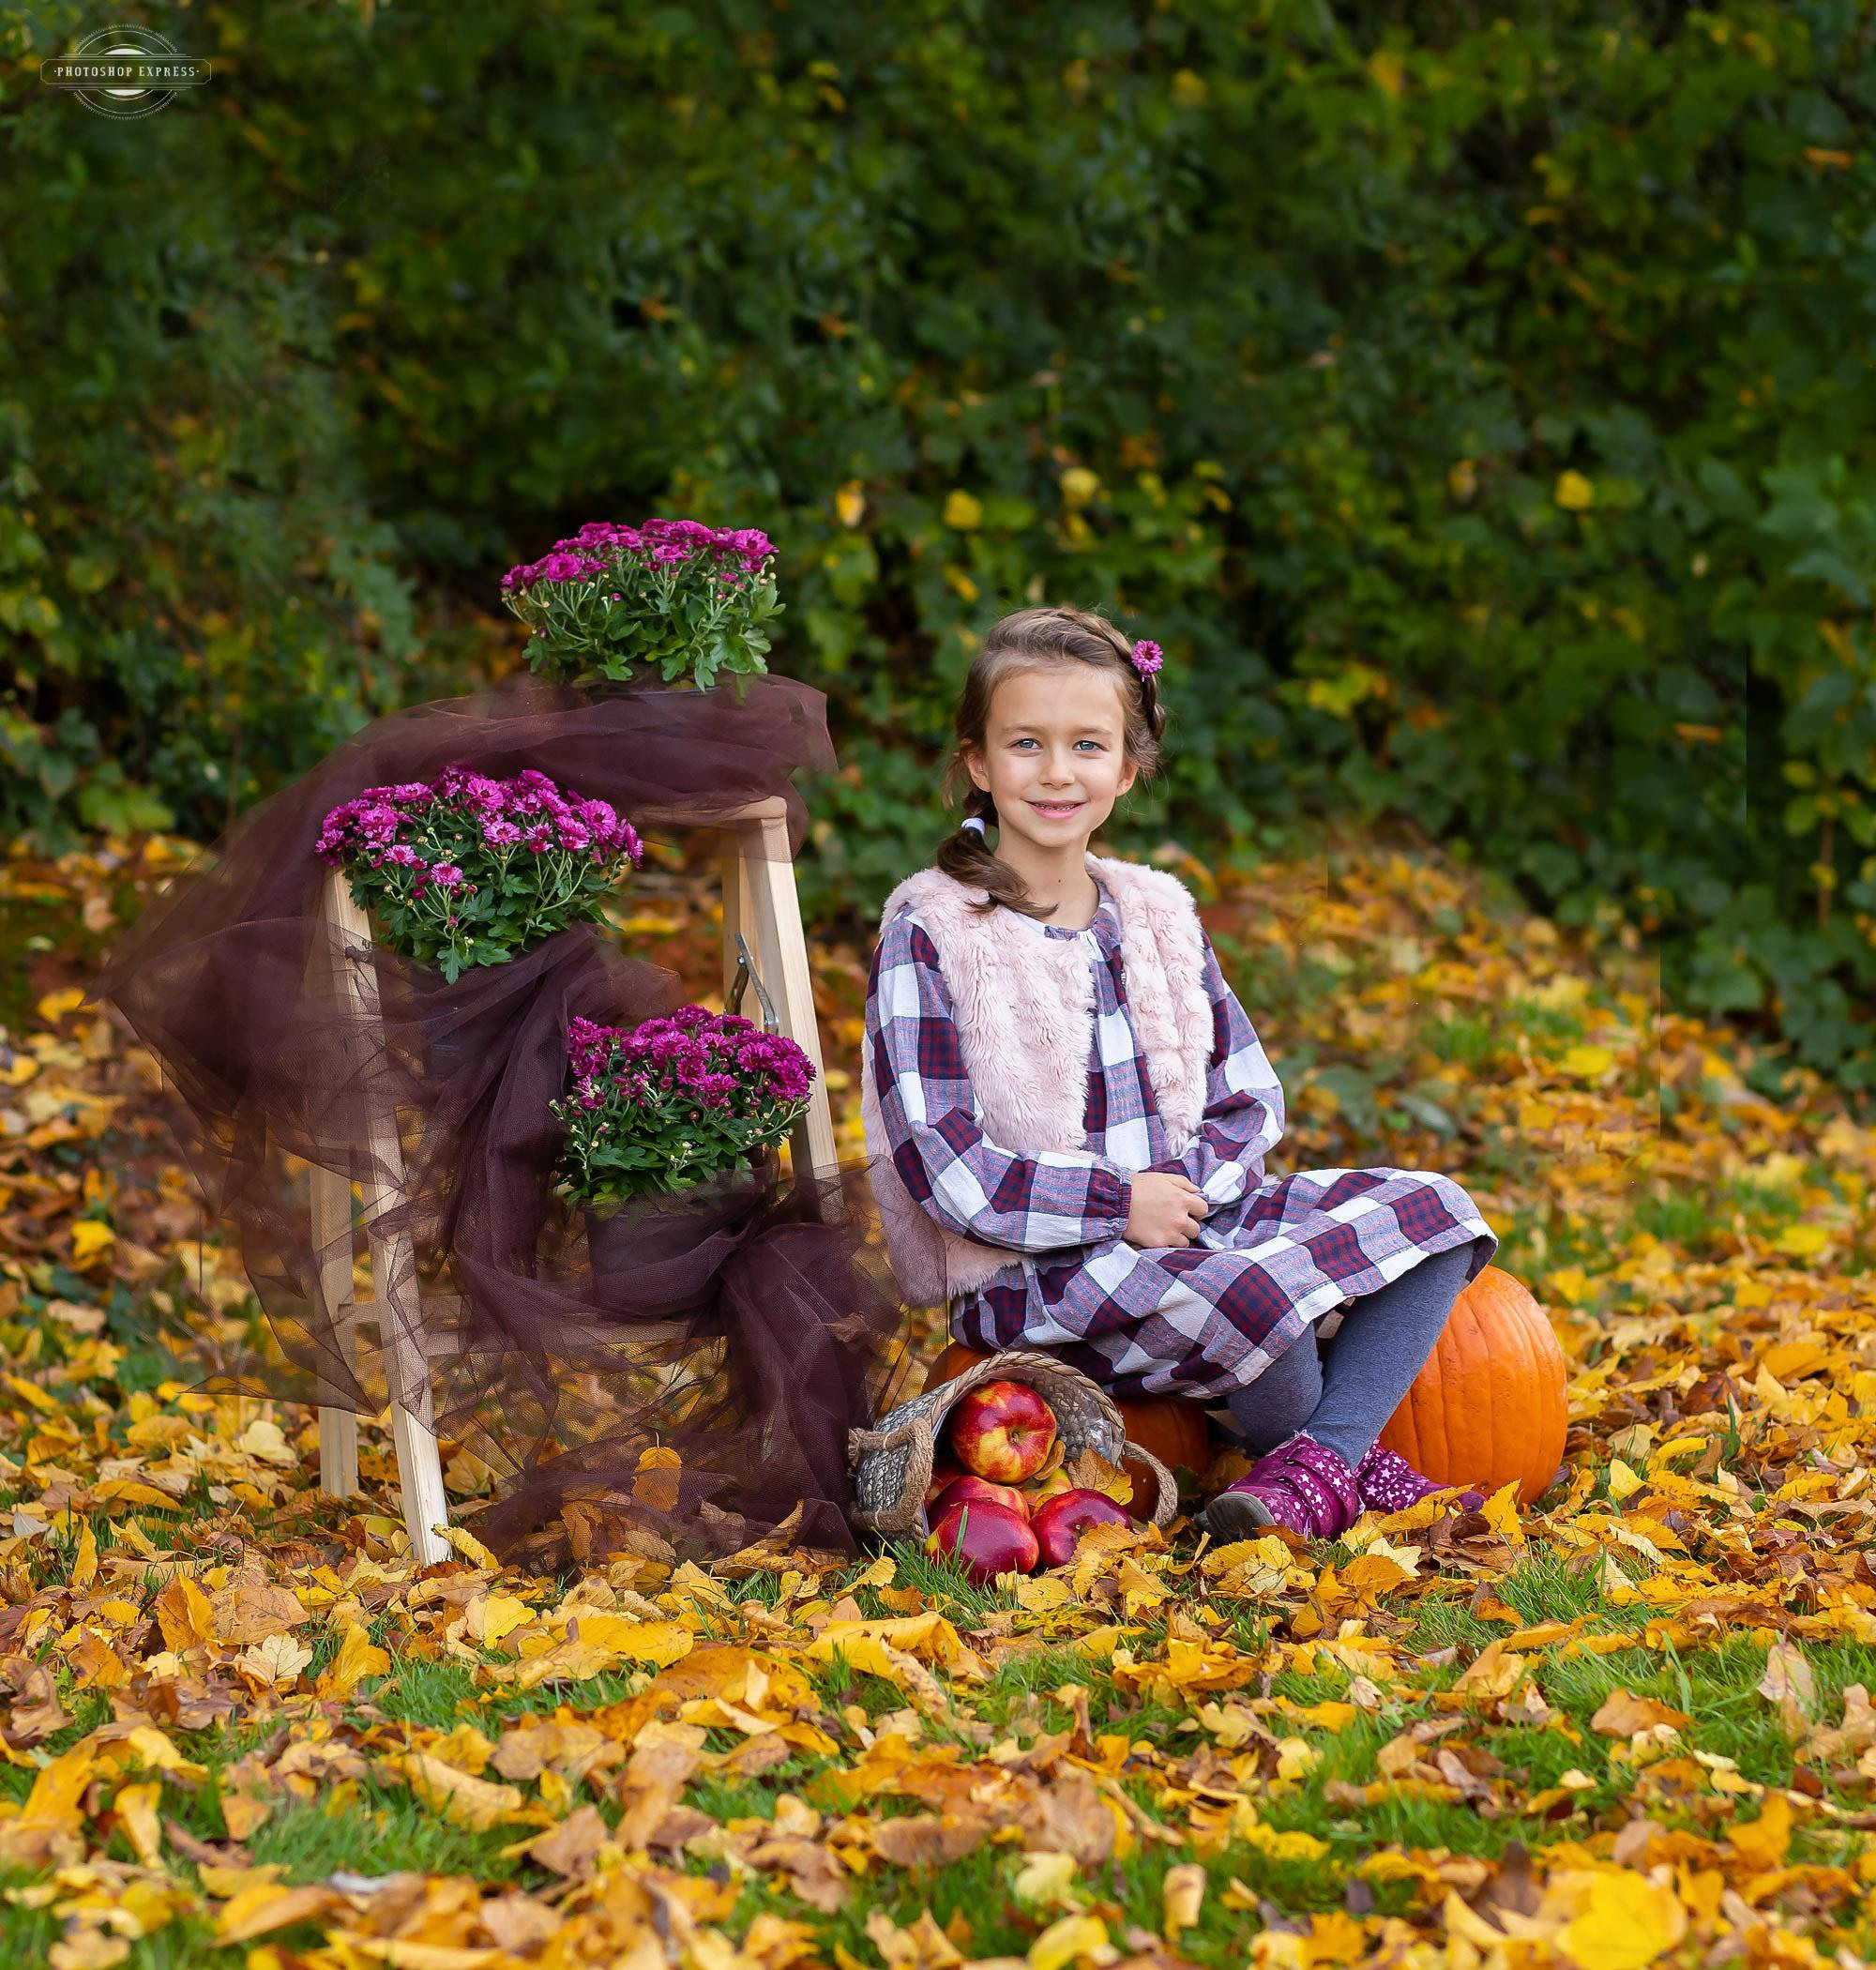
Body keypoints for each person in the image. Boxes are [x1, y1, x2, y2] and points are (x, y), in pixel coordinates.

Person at [858, 605, 1499, 1542]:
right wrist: (1121, 1205)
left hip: (1189, 1217)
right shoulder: (934, 933)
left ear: (1124, 768)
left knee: (1435, 1212)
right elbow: (947, 1168)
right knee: (1252, 1294)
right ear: (977, 763)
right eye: (1025, 743)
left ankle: (1314, 1468)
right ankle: (1343, 1470)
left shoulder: (1153, 911)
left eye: (1086, 745)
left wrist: (1187, 1198)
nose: (1054, 771)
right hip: (1040, 1270)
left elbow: (1246, 1094)